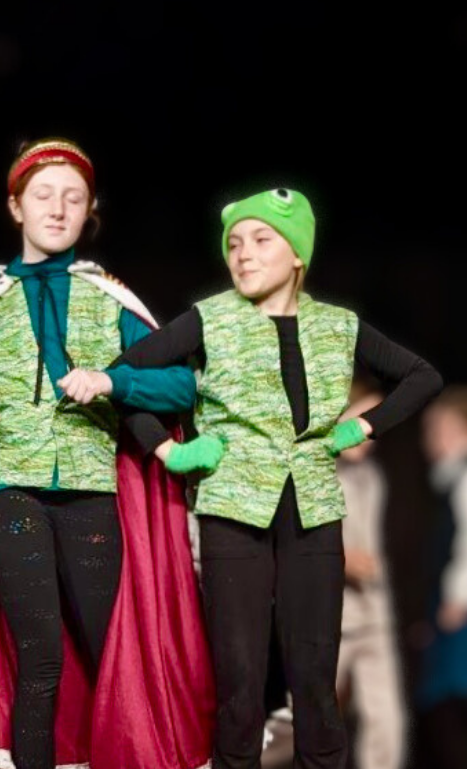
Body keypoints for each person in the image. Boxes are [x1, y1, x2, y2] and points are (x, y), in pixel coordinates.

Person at [69, 187, 442, 769]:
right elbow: (121, 378)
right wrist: (166, 450)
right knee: (239, 683)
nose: (243, 253)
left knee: (315, 681)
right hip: (233, 514)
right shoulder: (209, 319)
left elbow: (422, 377)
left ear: (297, 254)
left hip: (315, 512)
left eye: (260, 240)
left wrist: (362, 427)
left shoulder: (338, 326)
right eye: (234, 244)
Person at [0, 138, 215, 769]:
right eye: (43, 196)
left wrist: (113, 380)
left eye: (73, 199)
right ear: (16, 207)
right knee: (41, 655)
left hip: (89, 492)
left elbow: (183, 385)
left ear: (88, 211)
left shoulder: (110, 297)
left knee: (112, 652)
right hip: (3, 491)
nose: (58, 209)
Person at [335, 382, 405, 769]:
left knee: (386, 722)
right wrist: (343, 560)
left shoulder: (374, 477)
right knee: (301, 720)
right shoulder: (318, 474)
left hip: (375, 613)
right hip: (333, 617)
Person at [415, 386, 467, 769]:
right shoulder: (443, 479)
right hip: (443, 606)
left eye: (442, 429)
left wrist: (458, 596)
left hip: (458, 608)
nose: (431, 438)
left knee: (450, 701)